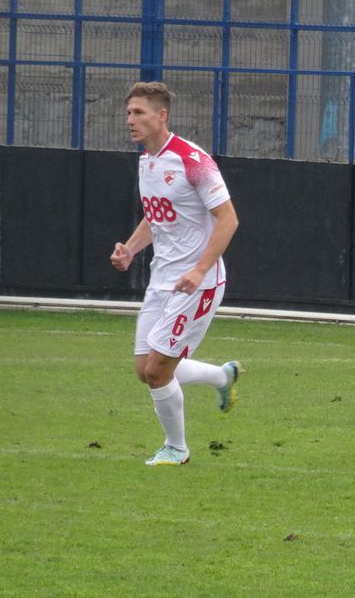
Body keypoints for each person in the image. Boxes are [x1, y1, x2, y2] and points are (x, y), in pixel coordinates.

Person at [109, 81, 242, 467]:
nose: (130, 120)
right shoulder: (146, 160)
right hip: (162, 279)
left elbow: (228, 219)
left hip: (196, 283)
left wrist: (200, 270)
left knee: (157, 369)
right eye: (129, 113)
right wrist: (131, 249)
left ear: (161, 115)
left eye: (138, 113)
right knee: (145, 371)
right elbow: (158, 216)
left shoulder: (192, 160)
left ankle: (177, 449)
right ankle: (223, 377)